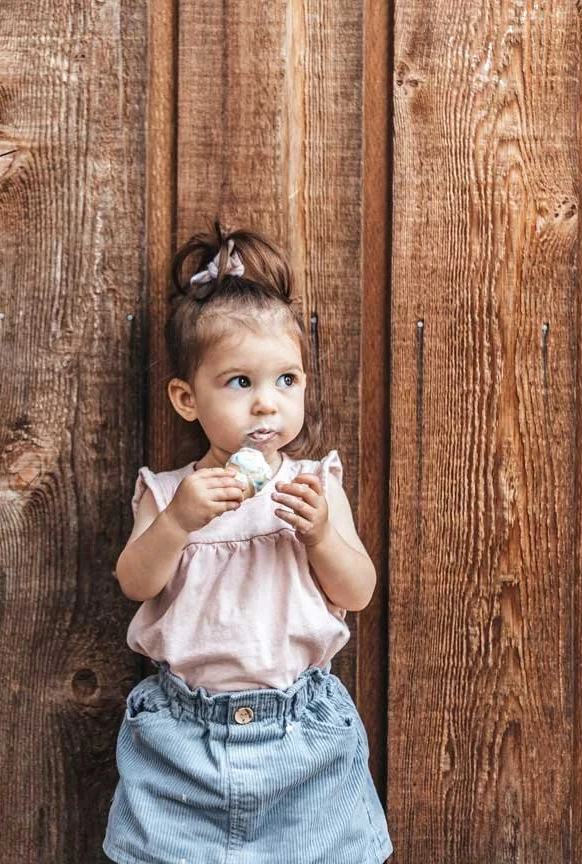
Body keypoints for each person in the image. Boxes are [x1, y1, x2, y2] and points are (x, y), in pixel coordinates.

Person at [103, 223, 393, 863]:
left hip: (303, 736)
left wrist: (320, 535)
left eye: (286, 380)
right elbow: (135, 582)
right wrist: (178, 522)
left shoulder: (314, 485)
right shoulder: (169, 492)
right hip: (183, 739)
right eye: (240, 383)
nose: (267, 405)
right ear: (187, 398)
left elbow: (358, 591)